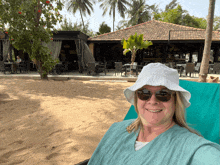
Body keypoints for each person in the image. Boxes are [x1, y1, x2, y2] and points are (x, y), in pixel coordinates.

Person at [88, 63, 220, 165]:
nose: (152, 101)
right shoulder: (117, 129)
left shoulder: (190, 146)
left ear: (175, 101)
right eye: (144, 93)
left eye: (163, 94)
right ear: (136, 98)